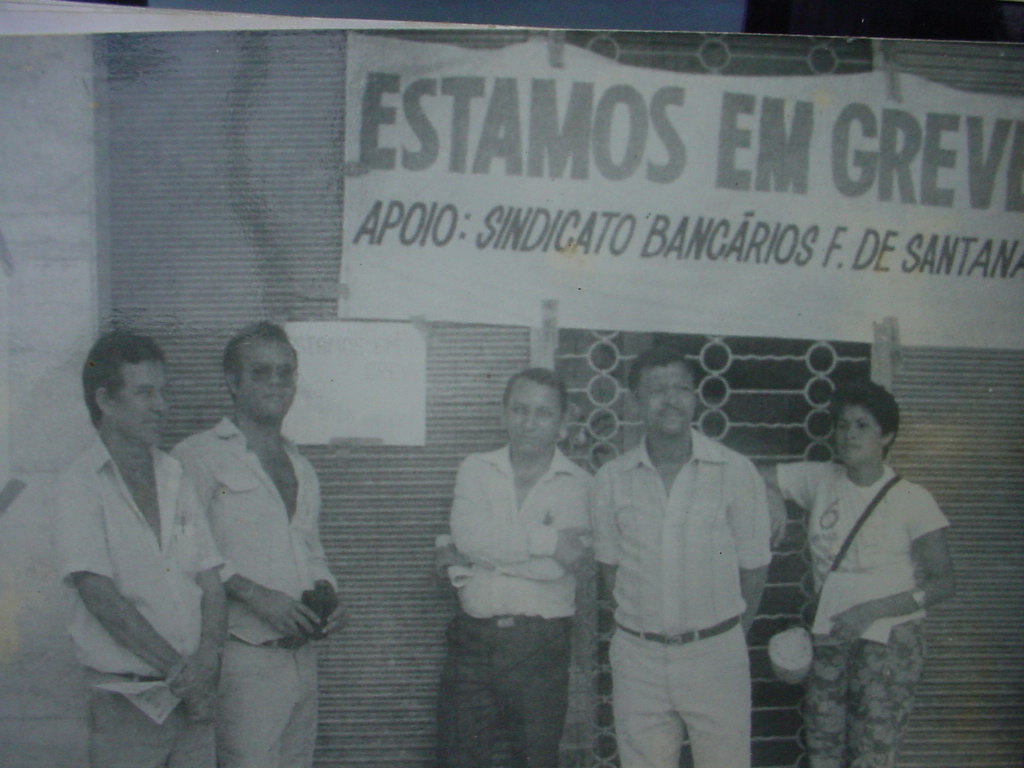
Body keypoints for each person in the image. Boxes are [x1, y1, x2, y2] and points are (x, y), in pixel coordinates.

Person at [173, 321, 346, 768]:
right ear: (232, 382)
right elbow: (183, 550)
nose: (276, 382)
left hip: (302, 661)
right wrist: (256, 596)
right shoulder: (197, 456)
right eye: (261, 372)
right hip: (241, 658)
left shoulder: (301, 466)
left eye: (285, 373)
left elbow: (312, 549)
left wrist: (331, 593)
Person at [591, 344, 773, 768]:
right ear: (635, 401)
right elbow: (609, 569)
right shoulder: (611, 480)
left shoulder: (735, 471)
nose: (670, 399)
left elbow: (755, 567)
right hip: (640, 658)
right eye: (656, 390)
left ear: (694, 397)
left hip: (715, 655)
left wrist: (723, 636)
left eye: (681, 388)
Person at [54, 330, 227, 768]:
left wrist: (204, 668)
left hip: (193, 703)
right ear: (105, 401)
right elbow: (99, 596)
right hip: (126, 705)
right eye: (145, 392)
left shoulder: (175, 475)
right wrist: (182, 674)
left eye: (162, 391)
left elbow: (211, 582)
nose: (162, 406)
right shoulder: (79, 485)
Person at [762, 380, 955, 768]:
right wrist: (773, 501)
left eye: (863, 425)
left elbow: (943, 582)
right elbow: (753, 475)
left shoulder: (912, 498)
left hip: (890, 641)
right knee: (824, 747)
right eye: (843, 425)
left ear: (887, 435)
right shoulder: (820, 479)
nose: (849, 434)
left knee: (872, 753)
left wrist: (873, 611)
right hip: (832, 634)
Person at [436, 367, 591, 768]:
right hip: (473, 640)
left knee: (536, 760)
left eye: (543, 412)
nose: (529, 423)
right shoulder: (476, 468)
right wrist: (550, 541)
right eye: (519, 410)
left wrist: (484, 558)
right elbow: (468, 536)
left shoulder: (578, 484)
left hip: (541, 644)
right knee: (459, 759)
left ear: (562, 420)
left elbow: (557, 571)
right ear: (503, 413)